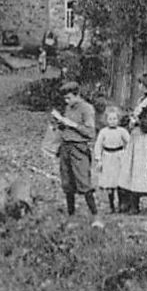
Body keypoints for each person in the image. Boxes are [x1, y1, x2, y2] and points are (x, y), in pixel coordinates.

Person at [50, 80, 100, 223]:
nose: (66, 101)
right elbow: (66, 128)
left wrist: (71, 124)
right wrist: (59, 123)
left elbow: (90, 133)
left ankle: (95, 215)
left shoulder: (87, 108)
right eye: (65, 98)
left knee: (83, 181)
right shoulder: (68, 107)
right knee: (67, 183)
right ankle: (71, 214)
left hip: (79, 149)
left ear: (77, 95)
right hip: (66, 147)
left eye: (69, 98)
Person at [122, 78, 147, 214]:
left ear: (145, 85)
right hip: (137, 137)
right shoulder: (142, 99)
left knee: (144, 166)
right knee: (134, 167)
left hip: (146, 137)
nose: (139, 86)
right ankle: (133, 203)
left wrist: (138, 121)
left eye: (141, 84)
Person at [93, 106, 131, 212]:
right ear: (106, 120)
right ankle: (111, 205)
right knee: (109, 183)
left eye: (115, 119)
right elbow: (98, 145)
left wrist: (127, 155)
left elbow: (130, 142)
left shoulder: (122, 131)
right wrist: (98, 159)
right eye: (110, 119)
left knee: (119, 182)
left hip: (119, 157)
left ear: (118, 119)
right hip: (107, 158)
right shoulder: (103, 132)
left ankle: (121, 204)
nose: (113, 121)